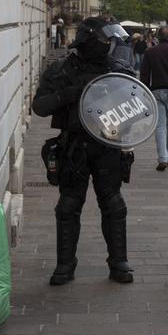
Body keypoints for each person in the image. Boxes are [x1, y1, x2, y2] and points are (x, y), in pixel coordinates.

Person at [32, 17, 137, 285]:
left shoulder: (117, 70)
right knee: (68, 206)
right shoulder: (61, 70)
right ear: (89, 41)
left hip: (107, 144)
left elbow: (138, 104)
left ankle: (119, 262)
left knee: (113, 205)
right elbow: (40, 106)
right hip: (74, 145)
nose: (109, 44)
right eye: (104, 40)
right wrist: (70, 93)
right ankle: (65, 265)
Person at [140, 25, 168, 171]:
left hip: (156, 92)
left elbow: (145, 75)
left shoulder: (150, 52)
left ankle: (163, 157)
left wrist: (145, 92)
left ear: (157, 37)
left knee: (160, 127)